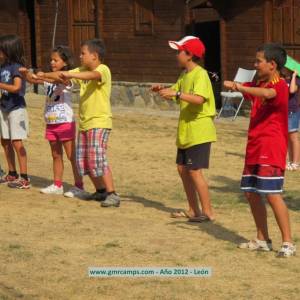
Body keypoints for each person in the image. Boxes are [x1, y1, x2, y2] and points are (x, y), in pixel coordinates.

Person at [224, 43, 296, 257]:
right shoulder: (258, 82)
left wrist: (239, 87)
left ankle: (288, 243)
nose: (254, 65)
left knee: (272, 194)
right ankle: (262, 239)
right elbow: (253, 89)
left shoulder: (280, 85)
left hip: (271, 148)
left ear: (272, 64)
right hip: (253, 147)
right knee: (250, 193)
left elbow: (267, 93)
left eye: (258, 61)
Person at [37, 39, 120, 207]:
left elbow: (91, 75)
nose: (80, 56)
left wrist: (70, 74)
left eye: (83, 53)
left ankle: (112, 193)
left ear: (94, 56)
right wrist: (43, 75)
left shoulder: (102, 69)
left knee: (98, 158)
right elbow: (61, 75)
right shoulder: (81, 70)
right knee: (85, 160)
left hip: (99, 122)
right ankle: (100, 191)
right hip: (85, 123)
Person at [152, 36, 216, 222]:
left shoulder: (200, 74)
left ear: (189, 55)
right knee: (182, 169)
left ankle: (208, 212)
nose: (176, 55)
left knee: (194, 171)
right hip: (186, 130)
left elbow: (199, 99)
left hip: (199, 130)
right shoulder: (184, 74)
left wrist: (177, 93)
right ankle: (193, 210)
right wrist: (163, 90)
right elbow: (176, 93)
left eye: (179, 51)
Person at [20, 46, 87, 198]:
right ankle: (57, 185)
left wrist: (44, 75)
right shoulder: (48, 78)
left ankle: (79, 186)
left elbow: (59, 77)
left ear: (65, 62)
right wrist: (26, 74)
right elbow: (34, 79)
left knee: (71, 156)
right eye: (51, 60)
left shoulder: (67, 77)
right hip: (51, 123)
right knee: (56, 155)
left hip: (65, 122)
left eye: (56, 60)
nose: (52, 62)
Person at [0, 35, 30, 189]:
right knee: (4, 140)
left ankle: (24, 178)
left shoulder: (16, 66)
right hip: (4, 107)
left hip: (16, 108)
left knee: (17, 142)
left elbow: (16, 87)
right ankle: (12, 172)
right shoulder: (3, 66)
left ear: (9, 50)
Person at [281, 68, 300, 171]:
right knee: (287, 138)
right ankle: (290, 161)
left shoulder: (296, 80)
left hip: (293, 112)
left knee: (294, 138)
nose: (284, 69)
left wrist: (293, 76)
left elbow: (292, 90)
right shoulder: (282, 80)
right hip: (284, 112)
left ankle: (296, 163)